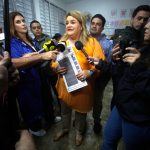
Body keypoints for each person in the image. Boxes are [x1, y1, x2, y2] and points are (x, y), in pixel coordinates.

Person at [52, 10, 105, 146]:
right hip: (65, 87)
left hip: (83, 89)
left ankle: (79, 132)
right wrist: (56, 68)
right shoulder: (61, 43)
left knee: (81, 115)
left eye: (73, 22)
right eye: (67, 23)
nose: (68, 25)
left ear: (81, 25)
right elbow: (53, 61)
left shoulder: (92, 42)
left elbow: (101, 64)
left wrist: (90, 72)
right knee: (64, 112)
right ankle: (65, 129)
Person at [100, 20, 150, 150]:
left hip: (138, 117)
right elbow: (122, 74)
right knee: (108, 141)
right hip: (121, 106)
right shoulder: (140, 48)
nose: (147, 26)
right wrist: (111, 62)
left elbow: (145, 89)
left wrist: (138, 66)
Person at [9, 11, 58, 136]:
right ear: (12, 26)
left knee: (45, 99)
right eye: (18, 22)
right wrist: (40, 56)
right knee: (31, 105)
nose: (23, 24)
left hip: (40, 76)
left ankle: (50, 118)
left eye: (23, 20)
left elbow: (33, 57)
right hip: (27, 81)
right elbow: (13, 62)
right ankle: (34, 128)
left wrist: (35, 55)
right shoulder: (12, 43)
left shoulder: (30, 40)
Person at [30, 20, 60, 126]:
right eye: (34, 28)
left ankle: (60, 111)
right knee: (46, 94)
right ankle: (50, 112)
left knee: (57, 92)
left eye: (38, 27)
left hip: (51, 71)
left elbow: (57, 52)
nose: (37, 29)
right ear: (31, 30)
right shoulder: (31, 42)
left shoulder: (48, 39)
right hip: (41, 74)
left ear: (41, 29)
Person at [90, 14, 113, 133]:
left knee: (97, 101)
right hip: (84, 78)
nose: (94, 26)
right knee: (83, 99)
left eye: (98, 24)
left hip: (99, 79)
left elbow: (109, 66)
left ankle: (96, 121)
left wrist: (101, 82)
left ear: (102, 28)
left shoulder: (107, 44)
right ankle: (81, 120)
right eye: (93, 23)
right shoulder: (84, 39)